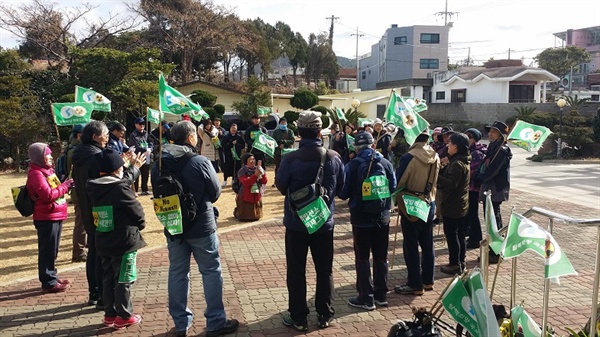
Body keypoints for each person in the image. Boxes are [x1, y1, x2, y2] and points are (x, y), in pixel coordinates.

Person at [150, 120, 239, 337]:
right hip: (201, 225)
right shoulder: (199, 161)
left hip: (173, 225)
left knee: (178, 272)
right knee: (210, 271)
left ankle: (181, 324)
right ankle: (216, 321)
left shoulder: (158, 163)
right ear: (191, 138)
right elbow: (216, 192)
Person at [275, 111, 345, 331]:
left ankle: (298, 317)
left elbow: (281, 186)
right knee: (325, 270)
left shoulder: (290, 159)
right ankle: (325, 314)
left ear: (298, 132)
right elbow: (342, 189)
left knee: (296, 270)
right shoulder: (334, 157)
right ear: (319, 131)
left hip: (297, 224)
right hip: (323, 223)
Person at [86, 149, 146, 329]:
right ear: (116, 170)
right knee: (124, 278)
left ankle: (110, 314)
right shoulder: (120, 188)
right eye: (121, 166)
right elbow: (137, 212)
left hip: (103, 238)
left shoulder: (93, 186)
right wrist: (140, 225)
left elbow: (120, 181)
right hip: (124, 241)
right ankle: (124, 315)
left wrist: (132, 168)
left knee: (108, 277)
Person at [339, 131, 396, 311]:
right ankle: (381, 295)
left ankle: (366, 297)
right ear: (373, 145)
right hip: (383, 217)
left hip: (361, 218)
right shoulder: (386, 163)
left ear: (356, 147)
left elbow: (343, 193)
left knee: (362, 258)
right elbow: (393, 186)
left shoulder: (353, 165)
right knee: (381, 256)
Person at [393, 131, 440, 296]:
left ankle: (414, 283)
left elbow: (398, 182)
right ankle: (428, 280)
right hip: (429, 201)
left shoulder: (409, 157)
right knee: (427, 243)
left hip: (411, 202)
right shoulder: (435, 156)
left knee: (411, 244)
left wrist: (395, 199)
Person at [26, 142, 74, 293]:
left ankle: (52, 275)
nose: (51, 157)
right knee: (47, 249)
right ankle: (48, 281)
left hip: (54, 214)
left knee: (53, 249)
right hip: (46, 217)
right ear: (39, 157)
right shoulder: (36, 173)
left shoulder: (47, 171)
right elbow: (47, 195)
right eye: (48, 154)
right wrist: (65, 186)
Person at [72, 121, 110, 307]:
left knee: (94, 250)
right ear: (95, 137)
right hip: (100, 208)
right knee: (102, 252)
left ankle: (94, 292)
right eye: (105, 135)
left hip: (87, 208)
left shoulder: (79, 154)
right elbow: (109, 182)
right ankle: (103, 295)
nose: (107, 138)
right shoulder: (96, 156)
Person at [473, 121, 512, 264]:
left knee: (493, 220)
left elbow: (493, 170)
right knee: (491, 219)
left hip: (495, 188)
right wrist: (478, 175)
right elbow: (485, 165)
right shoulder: (493, 148)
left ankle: (495, 251)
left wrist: (480, 178)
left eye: (494, 132)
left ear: (501, 135)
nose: (490, 134)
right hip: (488, 187)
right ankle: (493, 249)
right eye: (490, 131)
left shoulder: (501, 150)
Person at [437, 133, 471, 275]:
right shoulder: (459, 161)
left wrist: (436, 176)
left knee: (452, 235)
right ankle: (460, 261)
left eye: (450, 144)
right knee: (459, 235)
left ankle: (455, 263)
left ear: (456, 147)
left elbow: (451, 184)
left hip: (453, 205)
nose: (447, 146)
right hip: (460, 204)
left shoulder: (457, 164)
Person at [66, 124, 87, 263]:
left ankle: (82, 249)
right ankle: (79, 252)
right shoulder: (76, 151)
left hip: (78, 189)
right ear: (79, 135)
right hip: (79, 191)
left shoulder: (73, 149)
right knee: (81, 222)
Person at [464, 128, 487, 249]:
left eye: (469, 136)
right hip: (470, 187)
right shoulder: (470, 150)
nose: (467, 138)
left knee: (473, 213)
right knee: (470, 213)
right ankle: (473, 235)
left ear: (475, 139)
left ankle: (475, 238)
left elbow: (472, 171)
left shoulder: (477, 153)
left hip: (474, 188)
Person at [235, 153, 268, 221]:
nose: (252, 161)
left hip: (256, 195)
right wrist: (255, 176)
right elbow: (246, 183)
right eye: (250, 159)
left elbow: (264, 181)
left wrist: (262, 173)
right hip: (245, 195)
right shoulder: (242, 171)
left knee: (256, 216)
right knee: (245, 217)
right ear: (246, 161)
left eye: (253, 159)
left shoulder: (258, 169)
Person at [127, 117, 153, 196]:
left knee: (145, 172)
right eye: (140, 124)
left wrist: (150, 148)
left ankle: (144, 189)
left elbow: (151, 142)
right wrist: (145, 149)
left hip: (146, 156)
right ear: (136, 125)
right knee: (136, 173)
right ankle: (135, 190)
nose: (142, 125)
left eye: (143, 124)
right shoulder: (133, 135)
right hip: (137, 156)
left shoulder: (146, 133)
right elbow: (135, 145)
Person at [272, 117, 295, 186]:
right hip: (278, 152)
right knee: (278, 167)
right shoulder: (276, 132)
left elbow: (292, 141)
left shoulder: (290, 131)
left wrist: (285, 142)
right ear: (279, 124)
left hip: (288, 152)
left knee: (288, 167)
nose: (283, 124)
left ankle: (288, 181)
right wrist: (279, 145)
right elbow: (273, 141)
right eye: (282, 123)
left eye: (284, 122)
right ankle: (276, 181)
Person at [221, 123, 245, 187]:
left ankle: (234, 179)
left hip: (237, 155)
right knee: (227, 168)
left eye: (235, 128)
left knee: (236, 167)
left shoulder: (239, 137)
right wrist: (231, 144)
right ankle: (225, 180)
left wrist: (236, 145)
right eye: (232, 128)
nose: (234, 129)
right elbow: (223, 145)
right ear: (230, 129)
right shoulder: (226, 136)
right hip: (228, 155)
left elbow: (243, 145)